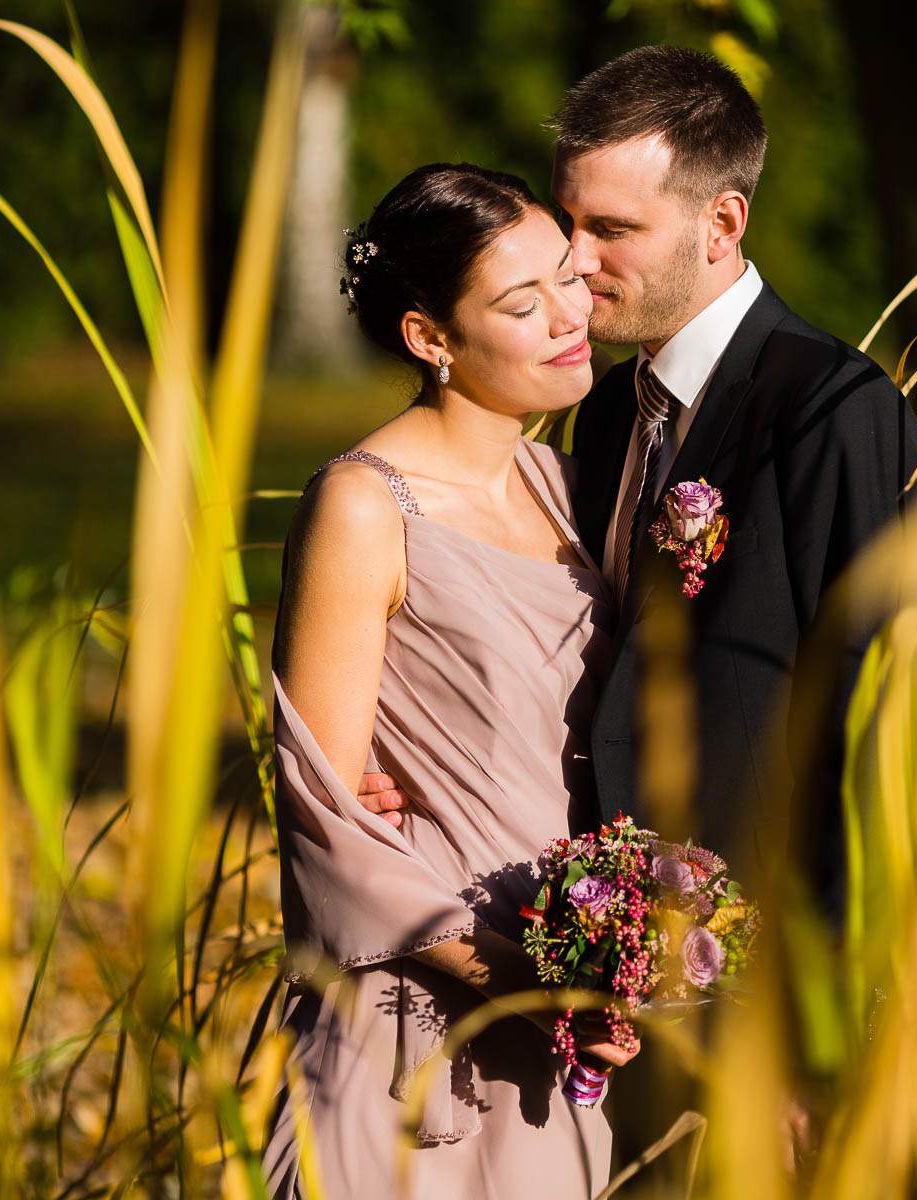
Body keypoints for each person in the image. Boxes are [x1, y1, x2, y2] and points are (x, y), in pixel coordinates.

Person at [360, 46, 917, 908]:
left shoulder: (835, 407)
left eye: (614, 231)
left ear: (723, 224)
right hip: (618, 945)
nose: (576, 263)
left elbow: (885, 715)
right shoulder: (614, 408)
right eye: (569, 222)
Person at [262, 163, 634, 1199]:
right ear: (431, 339)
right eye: (524, 303)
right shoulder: (364, 507)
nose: (572, 317)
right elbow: (325, 820)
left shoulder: (568, 492)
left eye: (568, 277)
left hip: (558, 1032)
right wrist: (527, 986)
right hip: (417, 1027)